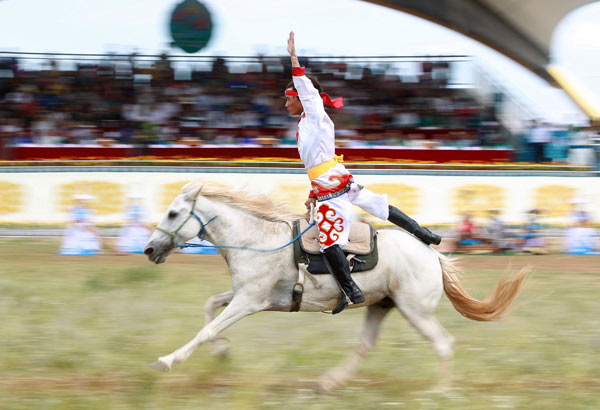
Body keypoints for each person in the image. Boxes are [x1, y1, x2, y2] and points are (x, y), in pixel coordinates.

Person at [285, 32, 441, 314]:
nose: (285, 103)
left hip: (331, 186)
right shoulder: (307, 121)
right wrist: (311, 193)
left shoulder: (316, 112)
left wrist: (294, 59)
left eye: (288, 98)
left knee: (329, 240)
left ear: (302, 98)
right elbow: (317, 161)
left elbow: (307, 90)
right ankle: (425, 234)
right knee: (377, 205)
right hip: (332, 177)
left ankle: (350, 290)